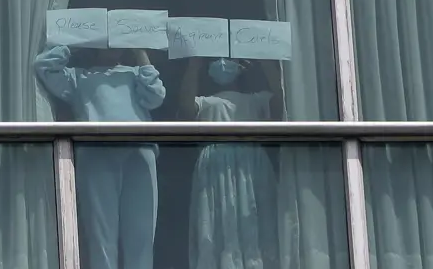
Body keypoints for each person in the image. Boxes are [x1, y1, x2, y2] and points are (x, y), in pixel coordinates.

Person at [34, 43, 166, 269]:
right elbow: (44, 66)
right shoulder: (78, 77)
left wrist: (139, 51)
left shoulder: (133, 74)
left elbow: (156, 96)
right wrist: (73, 43)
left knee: (141, 236)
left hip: (139, 150)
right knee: (101, 235)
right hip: (97, 152)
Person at [179, 57, 283, 269]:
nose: (223, 63)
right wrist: (195, 64)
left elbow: (282, 98)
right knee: (217, 224)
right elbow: (185, 105)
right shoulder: (205, 102)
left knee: (254, 221)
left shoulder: (256, 100)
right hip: (217, 166)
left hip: (250, 165)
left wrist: (263, 61)